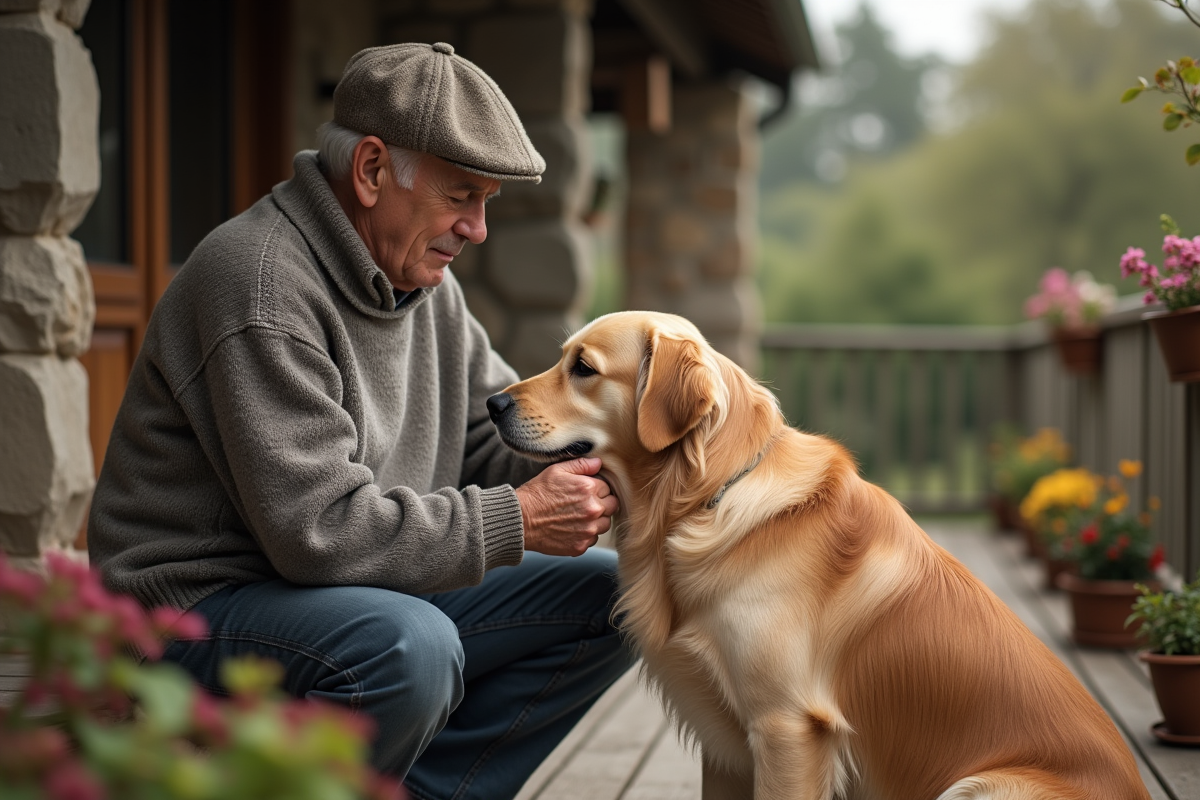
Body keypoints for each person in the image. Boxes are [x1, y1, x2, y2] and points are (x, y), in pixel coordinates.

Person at [88, 42, 634, 800]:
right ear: (373, 171)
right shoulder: (259, 286)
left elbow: (489, 440)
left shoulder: (423, 282)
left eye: (486, 203)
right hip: (197, 610)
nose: (476, 229)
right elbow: (318, 532)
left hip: (352, 588)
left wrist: (616, 454)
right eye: (460, 196)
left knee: (610, 597)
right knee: (408, 650)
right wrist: (519, 518)